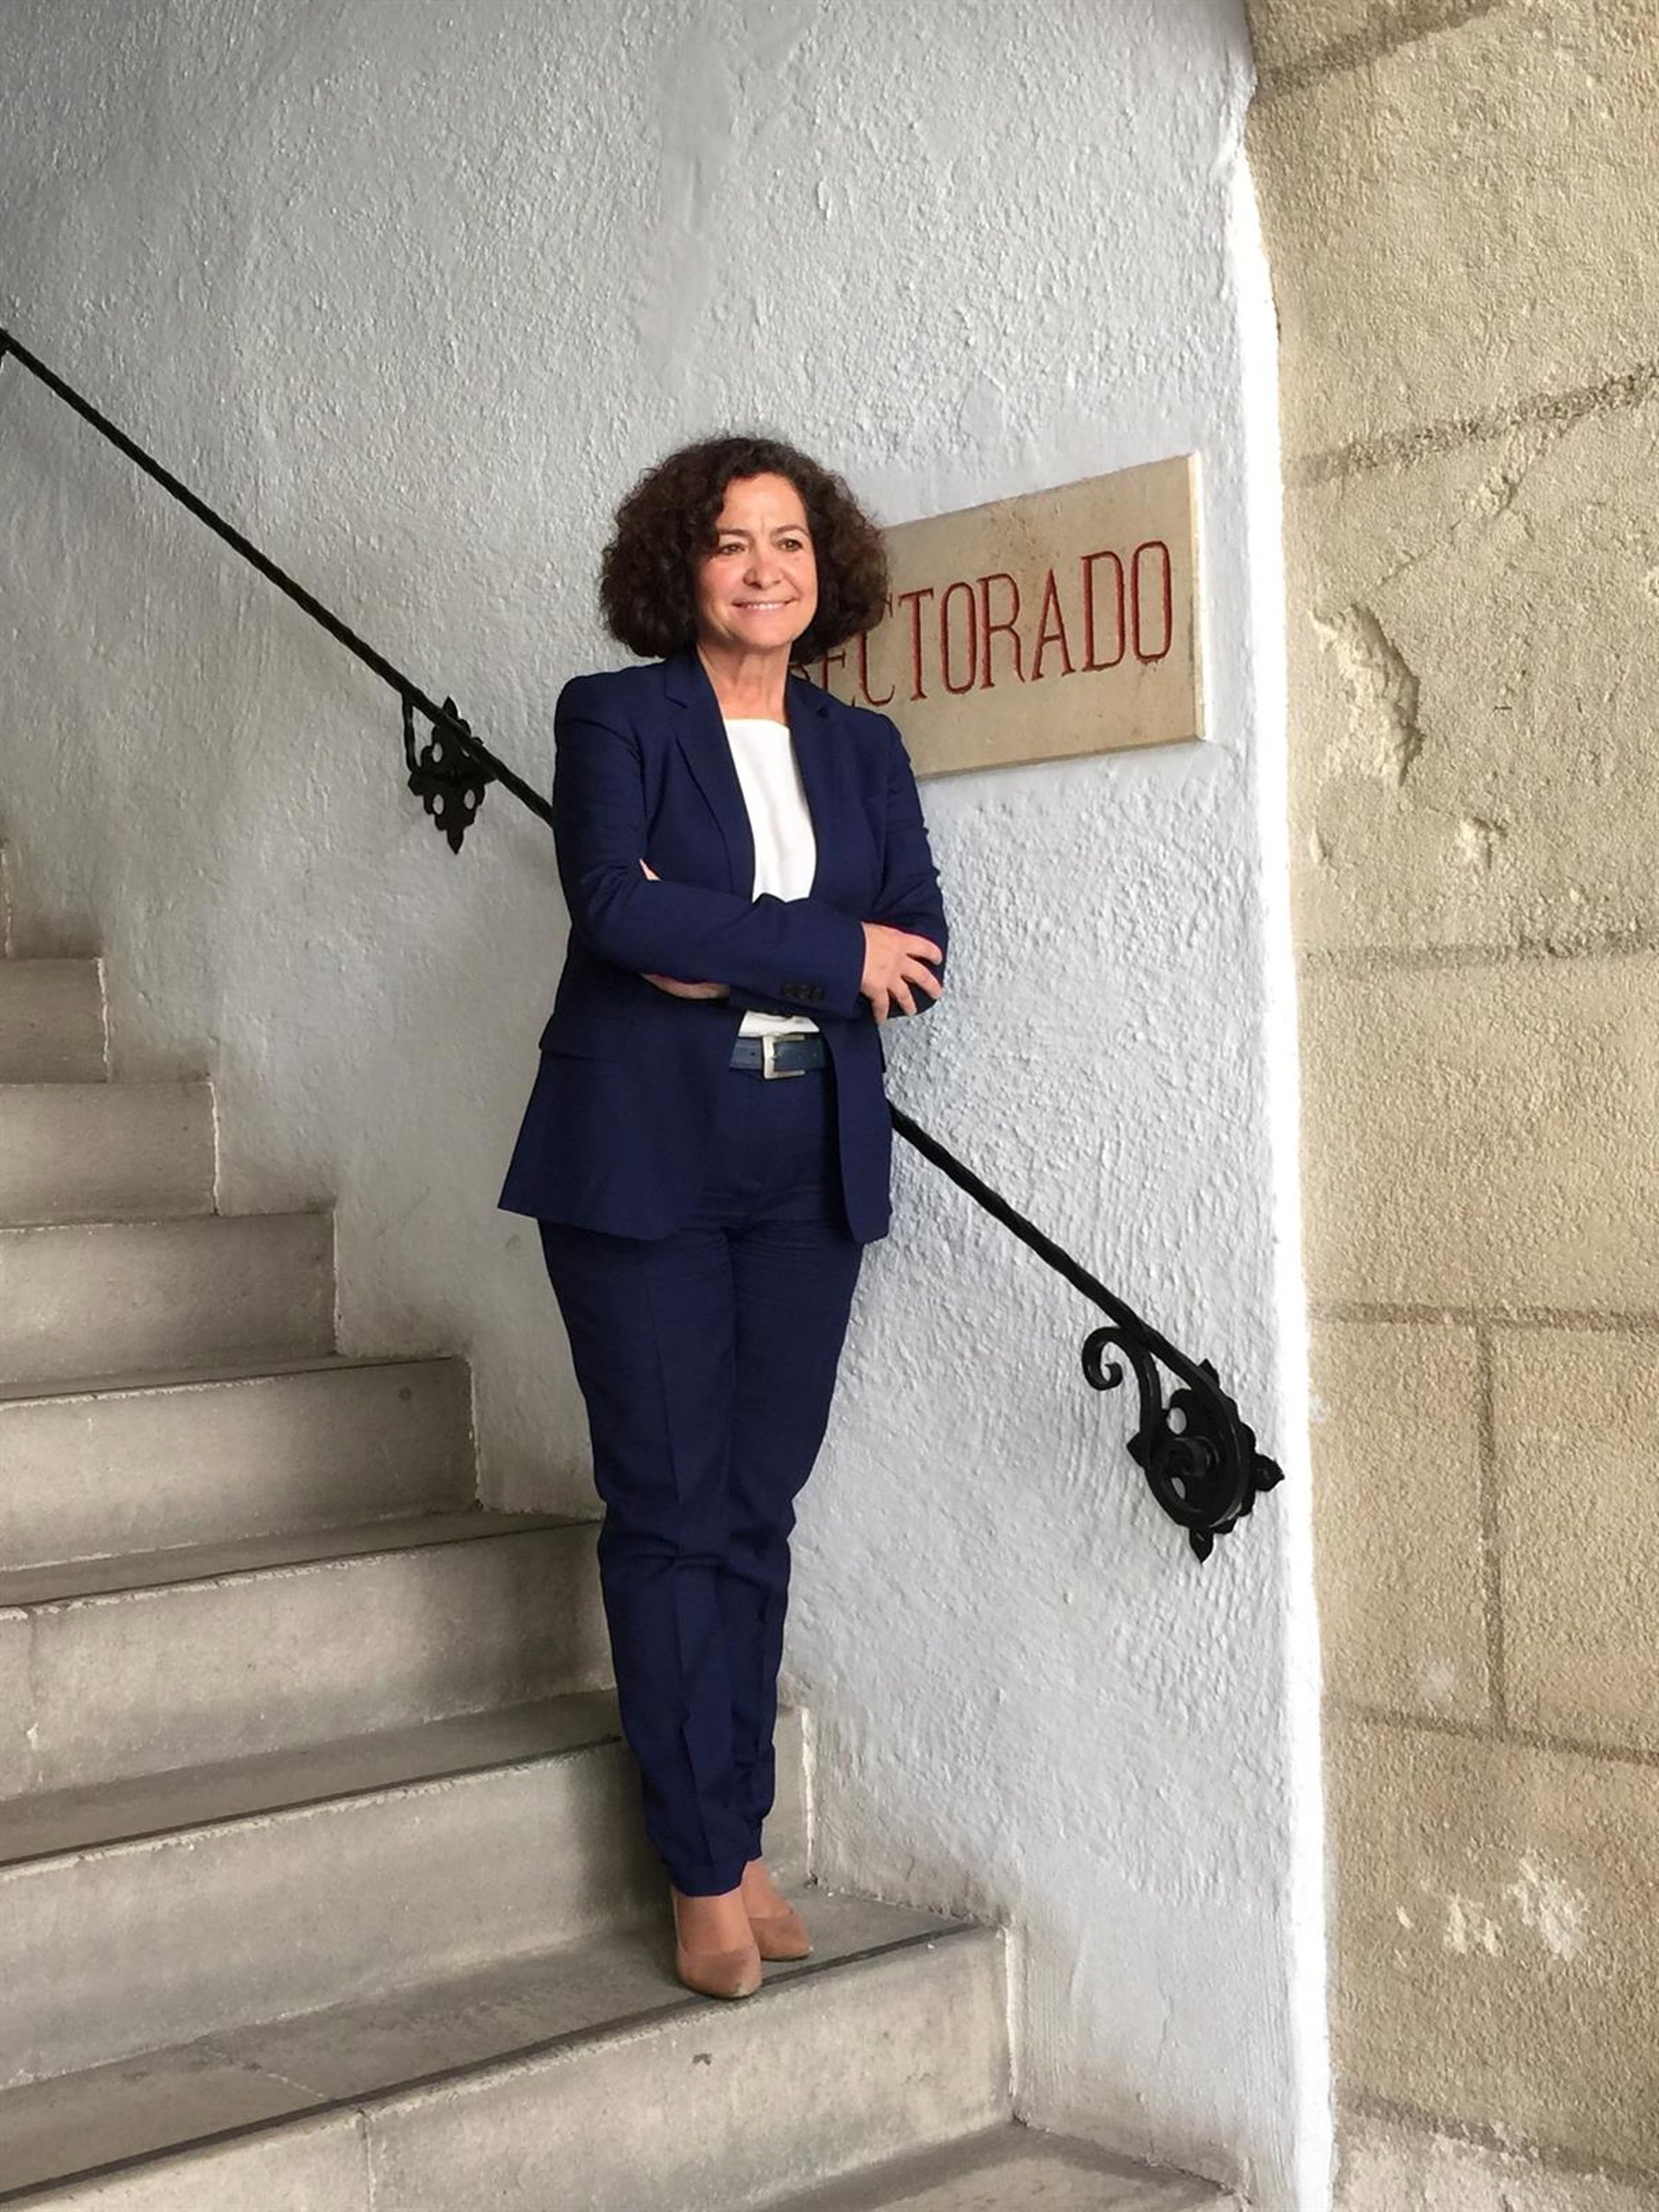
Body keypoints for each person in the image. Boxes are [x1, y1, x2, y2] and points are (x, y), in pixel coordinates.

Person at [497, 433, 948, 2000]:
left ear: (829, 569)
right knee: (672, 1509)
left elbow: (919, 948)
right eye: (734, 541)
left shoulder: (863, 748)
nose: (766, 568)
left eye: (792, 541)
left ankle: (738, 1832)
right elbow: (618, 912)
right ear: (680, 565)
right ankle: (697, 1865)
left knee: (757, 1506)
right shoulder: (615, 715)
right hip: (644, 1160)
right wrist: (822, 952)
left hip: (804, 1155)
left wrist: (726, 949)